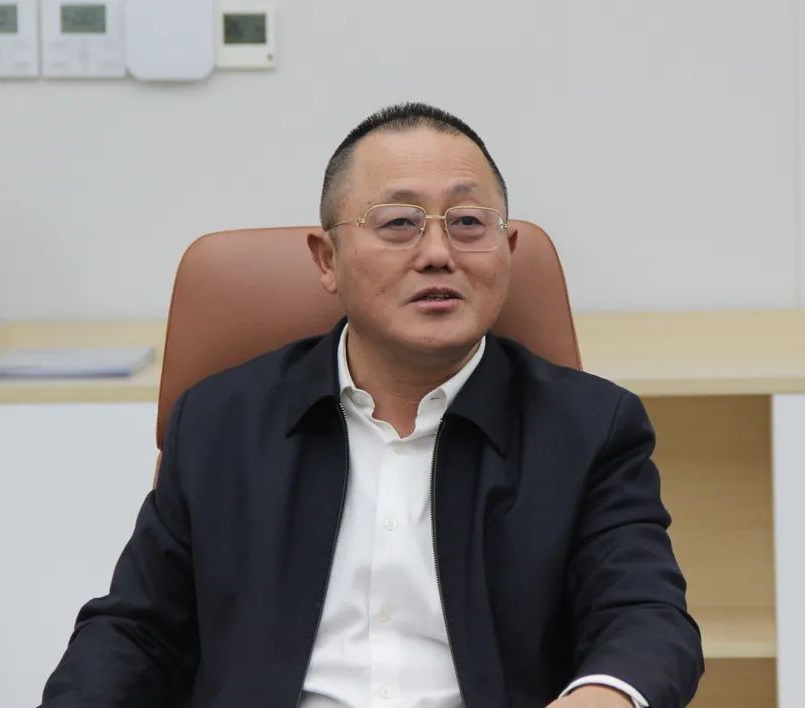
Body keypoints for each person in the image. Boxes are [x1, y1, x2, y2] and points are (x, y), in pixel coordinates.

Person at [41, 103, 704, 708]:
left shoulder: (590, 429)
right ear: (326, 259)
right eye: (398, 224)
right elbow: (138, 631)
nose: (438, 253)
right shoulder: (220, 423)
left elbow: (645, 618)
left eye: (468, 223)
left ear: (506, 252)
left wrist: (603, 697)